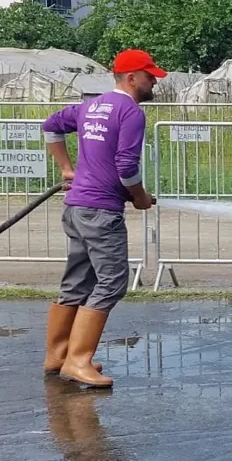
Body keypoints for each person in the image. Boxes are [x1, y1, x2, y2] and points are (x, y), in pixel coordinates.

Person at [40, 49, 165, 388]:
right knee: (112, 282)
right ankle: (78, 361)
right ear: (132, 78)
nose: (154, 82)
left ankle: (58, 355)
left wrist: (67, 169)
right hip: (101, 213)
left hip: (77, 209)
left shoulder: (91, 106)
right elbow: (126, 166)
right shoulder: (131, 112)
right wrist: (140, 197)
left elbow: (51, 126)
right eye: (150, 76)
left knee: (77, 282)